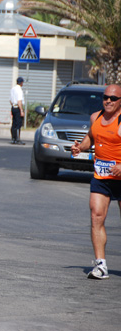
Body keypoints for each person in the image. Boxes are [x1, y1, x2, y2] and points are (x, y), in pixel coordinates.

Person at [71, 84, 121, 280]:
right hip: (101, 177)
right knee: (96, 216)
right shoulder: (96, 117)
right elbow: (91, 137)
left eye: (113, 98)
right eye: (105, 97)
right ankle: (101, 265)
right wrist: (80, 148)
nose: (108, 101)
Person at [10, 77, 25, 145]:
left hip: (13, 107)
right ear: (21, 83)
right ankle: (17, 139)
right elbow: (19, 101)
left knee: (14, 123)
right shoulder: (19, 90)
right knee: (18, 124)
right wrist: (21, 110)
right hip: (18, 108)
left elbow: (10, 100)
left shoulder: (13, 89)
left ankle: (13, 138)